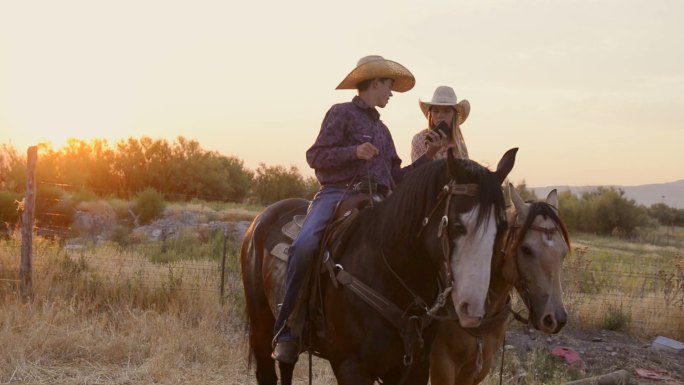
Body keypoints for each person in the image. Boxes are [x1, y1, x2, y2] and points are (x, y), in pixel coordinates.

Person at [272, 55, 445, 364]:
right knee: (304, 245)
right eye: (389, 87)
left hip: (380, 200)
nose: (391, 94)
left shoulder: (384, 131)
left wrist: (428, 156)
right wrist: (353, 151)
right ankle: (288, 328)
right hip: (338, 195)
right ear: (375, 83)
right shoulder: (340, 114)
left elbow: (397, 178)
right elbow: (316, 156)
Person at [410, 85, 471, 162]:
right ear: (431, 114)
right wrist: (430, 153)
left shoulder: (460, 147)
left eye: (446, 111)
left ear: (454, 115)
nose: (440, 115)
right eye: (435, 111)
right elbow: (416, 172)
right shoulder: (420, 140)